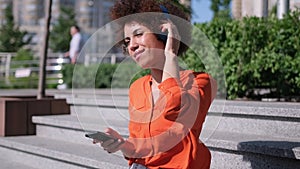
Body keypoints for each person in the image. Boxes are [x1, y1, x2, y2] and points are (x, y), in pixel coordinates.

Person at [92, 0, 217, 168]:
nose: (132, 46)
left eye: (138, 34)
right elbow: (138, 149)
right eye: (127, 41)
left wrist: (171, 54)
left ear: (164, 33)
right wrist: (121, 144)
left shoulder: (201, 82)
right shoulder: (137, 87)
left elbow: (175, 108)